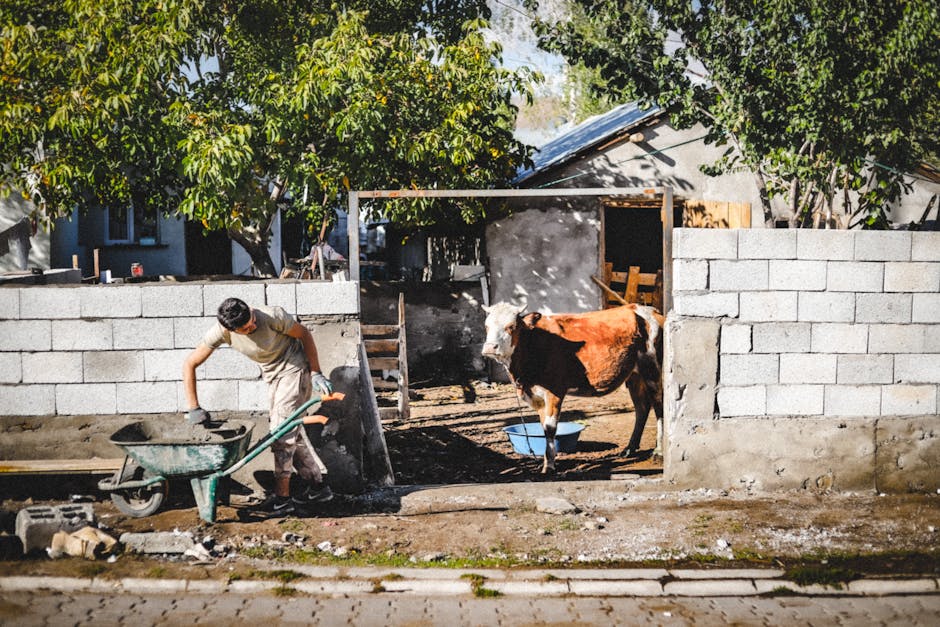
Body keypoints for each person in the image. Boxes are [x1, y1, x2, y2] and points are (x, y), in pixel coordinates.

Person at [183, 297, 335, 516]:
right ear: (232, 331)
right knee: (289, 432)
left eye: (252, 320)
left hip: (294, 370)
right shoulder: (222, 332)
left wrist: (316, 371)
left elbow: (304, 334)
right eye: (246, 328)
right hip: (273, 377)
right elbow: (190, 363)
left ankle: (283, 500)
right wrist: (193, 406)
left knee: (281, 436)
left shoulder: (272, 316)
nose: (252, 326)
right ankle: (318, 488)